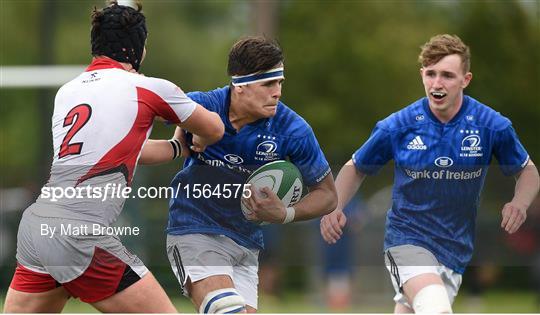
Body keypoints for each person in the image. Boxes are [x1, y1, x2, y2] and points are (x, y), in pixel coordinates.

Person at [3, 2, 224, 313]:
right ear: (138, 48)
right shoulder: (148, 87)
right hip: (80, 234)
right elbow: (214, 128)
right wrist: (195, 135)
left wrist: (177, 148)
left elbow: (120, 153)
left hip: (39, 227)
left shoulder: (67, 91)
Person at [320, 34, 540, 313]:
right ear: (422, 75)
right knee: (434, 307)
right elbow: (356, 168)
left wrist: (519, 203)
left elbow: (528, 172)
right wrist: (335, 206)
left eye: (447, 75)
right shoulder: (398, 126)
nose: (437, 83)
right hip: (406, 240)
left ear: (465, 79)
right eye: (431, 74)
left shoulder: (491, 125)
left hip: (455, 250)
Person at [164, 36, 337, 313]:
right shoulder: (203, 106)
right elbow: (153, 107)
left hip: (246, 243)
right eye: (268, 84)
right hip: (196, 229)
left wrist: (285, 214)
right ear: (240, 85)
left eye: (280, 82)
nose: (278, 92)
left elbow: (327, 195)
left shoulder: (293, 130)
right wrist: (197, 125)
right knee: (226, 310)